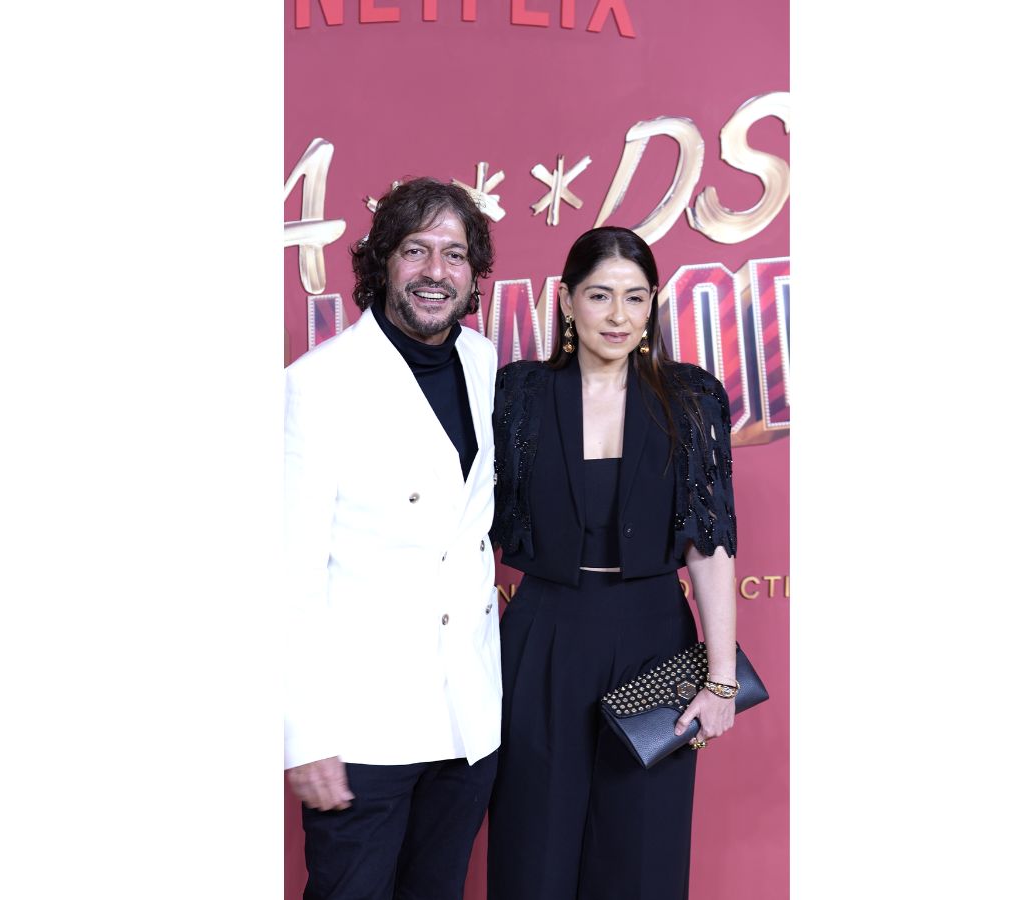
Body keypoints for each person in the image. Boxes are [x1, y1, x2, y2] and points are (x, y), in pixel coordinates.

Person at [486, 226, 739, 900]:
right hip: (543, 636)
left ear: (653, 303)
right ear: (567, 301)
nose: (618, 316)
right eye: (600, 295)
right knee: (532, 851)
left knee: (642, 856)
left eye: (635, 297)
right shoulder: (518, 394)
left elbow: (710, 544)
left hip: (655, 638)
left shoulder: (691, 398)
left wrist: (720, 681)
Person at [284, 177, 501, 900]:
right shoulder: (318, 384)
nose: (436, 271)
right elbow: (288, 576)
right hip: (363, 728)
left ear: (473, 273)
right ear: (382, 262)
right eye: (416, 250)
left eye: (454, 254)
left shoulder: (483, 361)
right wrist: (305, 736)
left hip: (466, 719)